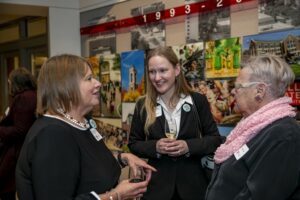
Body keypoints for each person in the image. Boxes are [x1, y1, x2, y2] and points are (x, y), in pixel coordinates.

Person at [16, 54, 156, 200]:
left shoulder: (82, 123)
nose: (98, 83)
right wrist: (116, 195)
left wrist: (123, 158)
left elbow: (87, 166)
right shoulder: (52, 134)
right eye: (89, 79)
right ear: (66, 86)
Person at [128, 46, 224, 200]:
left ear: (177, 70)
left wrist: (188, 146)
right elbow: (133, 143)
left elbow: (214, 139)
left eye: (163, 70)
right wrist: (156, 147)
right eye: (152, 72)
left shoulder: (197, 101)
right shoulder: (143, 105)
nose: (157, 78)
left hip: (194, 188)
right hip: (156, 189)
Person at [205, 55, 300, 200]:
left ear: (260, 91)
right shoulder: (251, 127)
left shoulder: (284, 135)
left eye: (238, 87)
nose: (232, 91)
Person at [0, 67, 37, 200]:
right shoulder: (33, 95)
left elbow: (20, 130)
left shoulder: (24, 98)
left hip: (17, 152)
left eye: (9, 82)